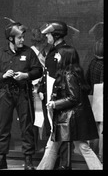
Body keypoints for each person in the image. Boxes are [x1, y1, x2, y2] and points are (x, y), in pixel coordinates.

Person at [36, 45, 103, 170]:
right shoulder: (73, 73)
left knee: (56, 145)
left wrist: (55, 104)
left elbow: (73, 98)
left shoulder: (68, 75)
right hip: (71, 119)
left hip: (68, 119)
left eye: (58, 55)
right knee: (63, 145)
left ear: (65, 58)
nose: (56, 56)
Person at [0, 22, 43, 170]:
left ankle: (28, 160)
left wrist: (26, 75)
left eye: (23, 37)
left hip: (23, 91)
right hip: (5, 91)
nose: (22, 40)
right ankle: (1, 158)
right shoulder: (0, 53)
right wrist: (3, 75)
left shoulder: (28, 52)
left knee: (27, 126)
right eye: (19, 38)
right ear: (11, 39)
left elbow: (39, 70)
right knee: (3, 126)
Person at [37, 21, 73, 170]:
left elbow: (68, 77)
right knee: (53, 131)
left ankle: (64, 165)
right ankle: (56, 164)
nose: (46, 36)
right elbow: (47, 74)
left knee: (62, 133)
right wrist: (41, 87)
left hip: (59, 98)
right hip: (50, 97)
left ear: (56, 35)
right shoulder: (53, 50)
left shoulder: (65, 51)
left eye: (48, 34)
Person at [30, 28, 52, 141]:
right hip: (35, 88)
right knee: (38, 117)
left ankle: (42, 142)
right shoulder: (31, 53)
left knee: (43, 116)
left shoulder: (43, 52)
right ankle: (37, 142)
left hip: (43, 87)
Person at [86, 39, 103, 163]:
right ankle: (100, 156)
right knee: (101, 128)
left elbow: (87, 81)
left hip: (93, 96)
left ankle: (94, 154)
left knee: (94, 128)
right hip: (100, 97)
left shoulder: (92, 62)